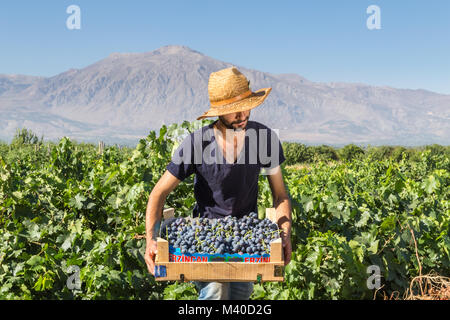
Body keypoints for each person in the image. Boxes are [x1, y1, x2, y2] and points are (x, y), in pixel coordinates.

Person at [144, 66, 292, 300]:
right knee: (216, 292)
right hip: (206, 239)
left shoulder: (264, 140)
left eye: (246, 108)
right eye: (234, 111)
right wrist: (151, 240)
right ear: (219, 112)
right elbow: (158, 193)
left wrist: (285, 234)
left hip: (247, 240)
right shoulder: (197, 144)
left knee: (241, 297)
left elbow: (281, 196)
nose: (242, 116)